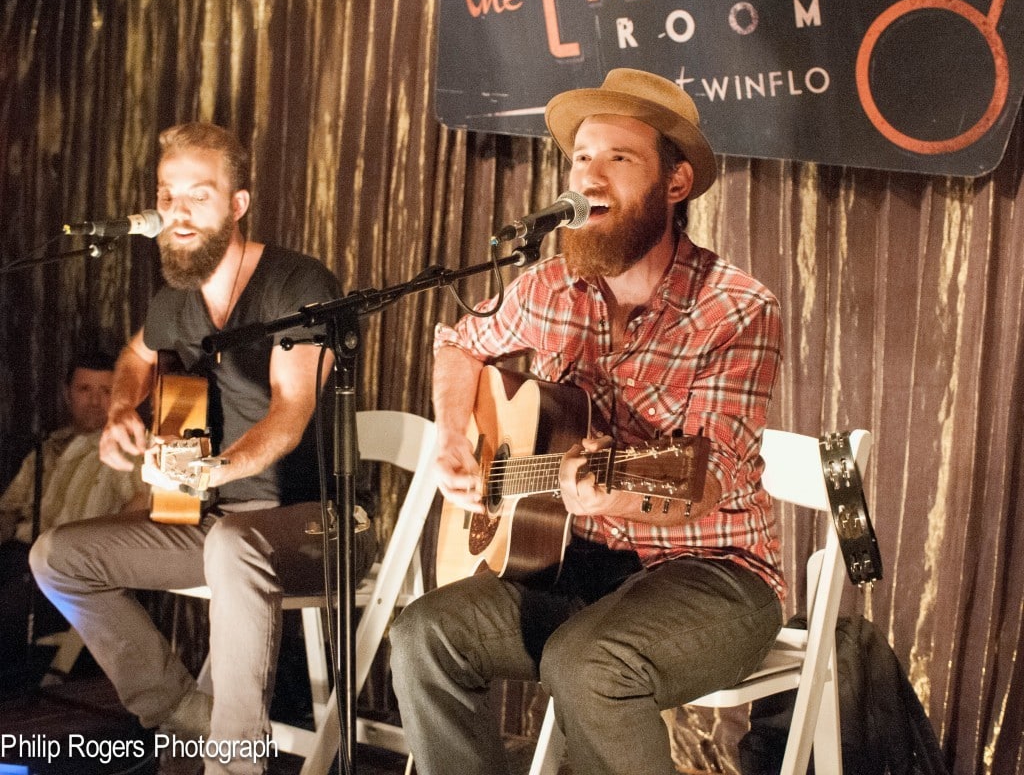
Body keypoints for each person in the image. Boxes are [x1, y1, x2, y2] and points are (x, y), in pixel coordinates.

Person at [389, 68, 786, 775]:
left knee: (586, 665)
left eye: (619, 159)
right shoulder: (547, 286)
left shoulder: (737, 308)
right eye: (580, 159)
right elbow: (457, 343)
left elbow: (711, 477)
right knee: (424, 633)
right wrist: (453, 433)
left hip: (713, 575)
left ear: (676, 184)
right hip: (577, 563)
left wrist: (615, 491)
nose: (589, 178)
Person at [30, 123, 376, 775]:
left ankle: (231, 764)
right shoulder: (175, 299)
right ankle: (181, 715)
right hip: (214, 524)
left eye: (199, 194)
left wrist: (219, 467)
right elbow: (137, 355)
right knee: (57, 557)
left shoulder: (296, 283)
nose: (176, 211)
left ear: (238, 205)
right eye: (167, 193)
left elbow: (290, 413)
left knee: (230, 543)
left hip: (317, 525)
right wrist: (122, 410)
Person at [0, 351, 144, 689]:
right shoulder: (49, 446)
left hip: (64, 572)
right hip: (16, 555)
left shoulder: (128, 449)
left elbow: (140, 509)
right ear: (68, 394)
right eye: (85, 389)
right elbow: (9, 510)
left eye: (106, 391)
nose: (95, 401)